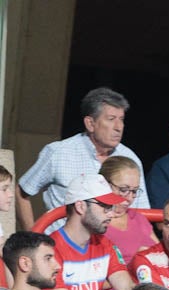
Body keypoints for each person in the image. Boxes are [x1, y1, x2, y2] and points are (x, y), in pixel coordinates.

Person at [18, 86, 146, 225]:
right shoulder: (59, 153)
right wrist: (32, 234)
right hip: (62, 237)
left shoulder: (130, 158)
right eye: (111, 119)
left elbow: (141, 210)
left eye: (121, 119)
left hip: (112, 238)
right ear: (90, 123)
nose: (119, 127)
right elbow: (21, 192)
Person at [44, 173, 134, 290]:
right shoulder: (50, 250)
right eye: (105, 206)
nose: (111, 214)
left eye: (111, 207)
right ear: (80, 206)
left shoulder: (105, 244)